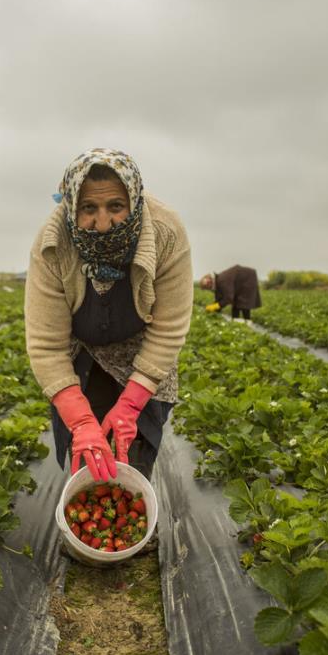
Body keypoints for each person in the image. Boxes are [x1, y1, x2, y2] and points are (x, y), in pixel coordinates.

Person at [25, 148, 193, 482]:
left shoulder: (165, 232)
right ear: (72, 206)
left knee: (134, 449)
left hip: (142, 350)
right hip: (82, 348)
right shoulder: (52, 243)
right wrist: (82, 422)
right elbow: (46, 346)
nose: (102, 224)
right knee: (87, 451)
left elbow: (168, 329)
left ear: (134, 200)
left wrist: (131, 405)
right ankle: (87, 513)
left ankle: (134, 508)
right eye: (89, 208)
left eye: (115, 206)